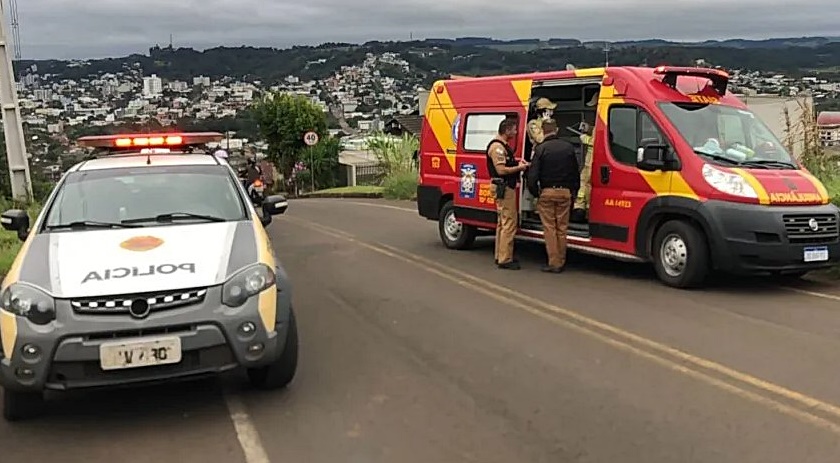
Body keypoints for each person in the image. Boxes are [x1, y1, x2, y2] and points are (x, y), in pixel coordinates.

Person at [526, 118, 579, 273]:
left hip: (547, 193)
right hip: (565, 193)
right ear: (556, 130)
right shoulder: (568, 148)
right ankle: (561, 260)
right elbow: (575, 173)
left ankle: (554, 263)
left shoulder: (541, 149)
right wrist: (573, 193)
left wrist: (537, 193)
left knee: (549, 228)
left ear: (543, 131)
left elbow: (532, 176)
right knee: (562, 228)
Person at [487, 117, 529, 270]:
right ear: (507, 131)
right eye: (514, 129)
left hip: (502, 187)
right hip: (504, 187)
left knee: (502, 223)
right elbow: (501, 170)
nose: (516, 132)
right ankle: (505, 259)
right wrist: (520, 168)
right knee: (509, 222)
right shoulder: (497, 148)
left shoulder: (502, 146)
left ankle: (500, 255)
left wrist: (517, 163)